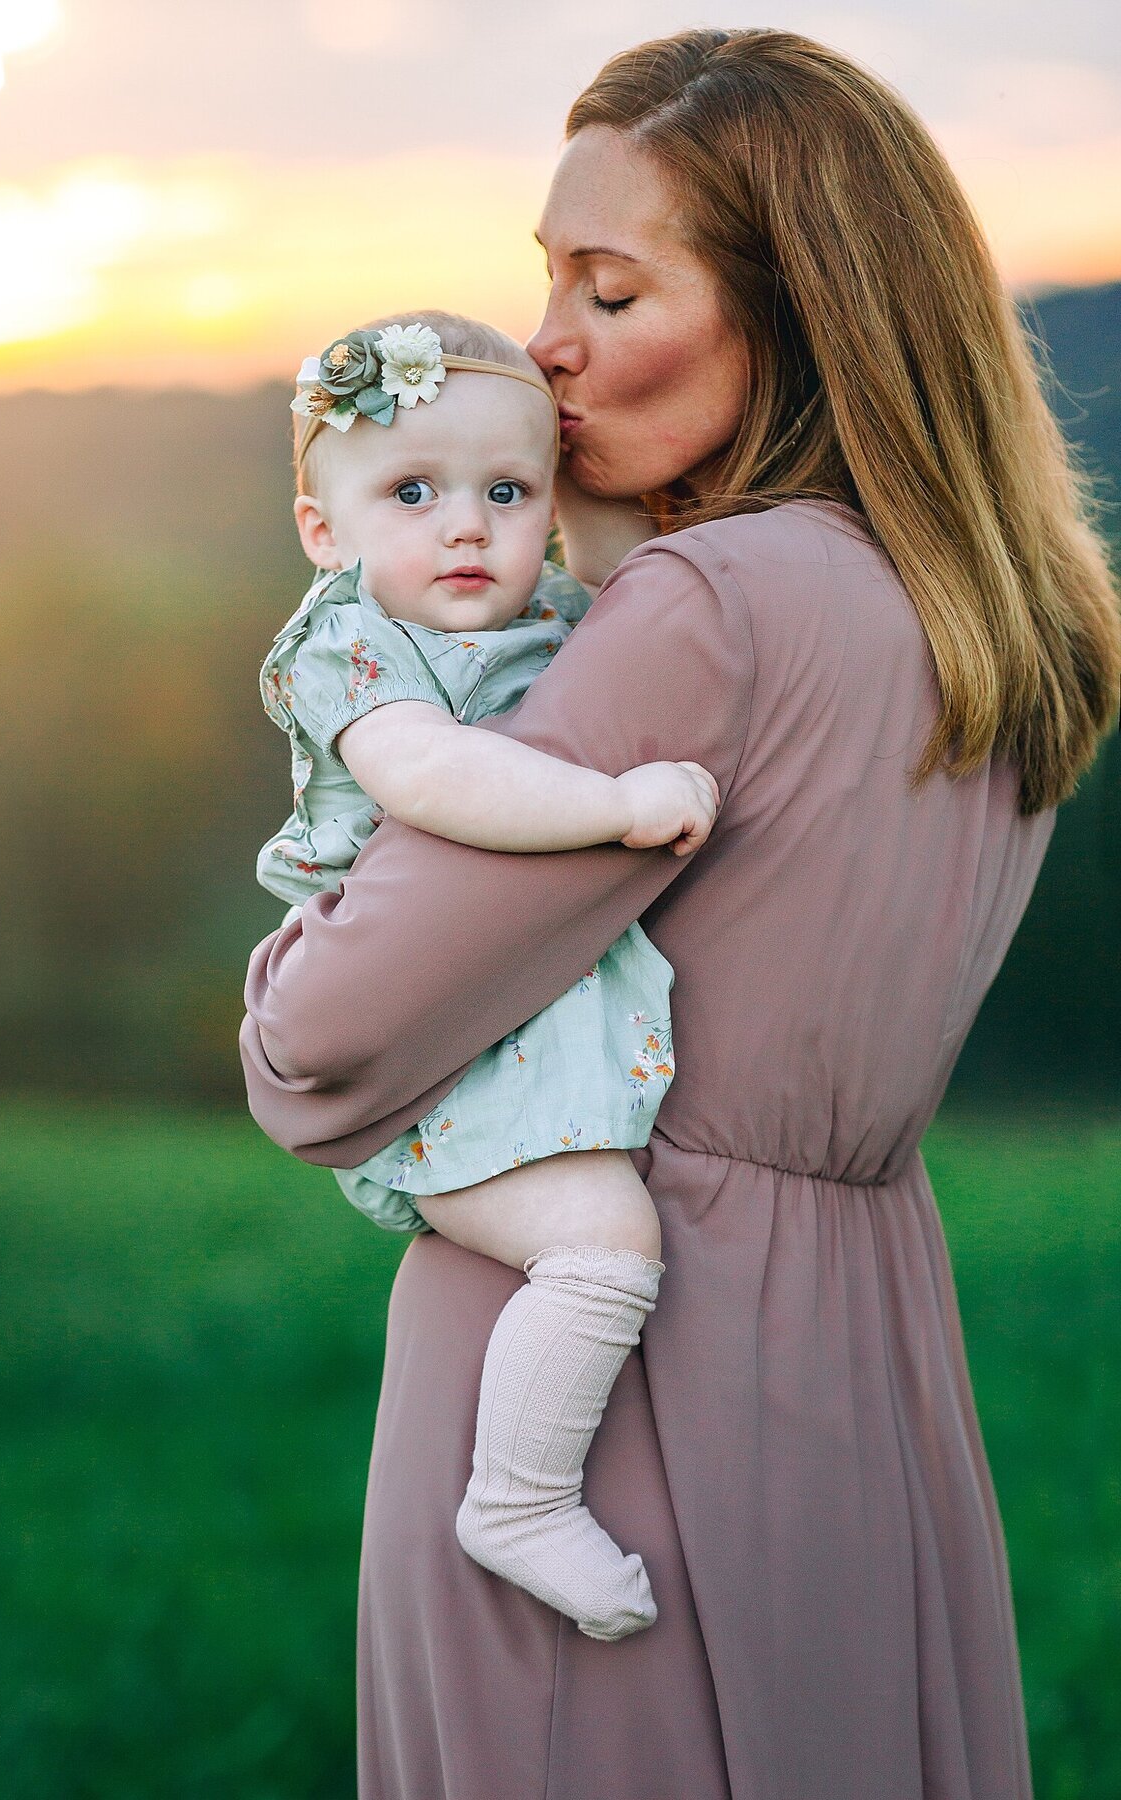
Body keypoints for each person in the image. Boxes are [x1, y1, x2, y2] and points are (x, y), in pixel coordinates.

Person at [240, 28, 1121, 1800]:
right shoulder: (988, 617)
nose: (547, 342)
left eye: (613, 287)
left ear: (794, 310)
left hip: (609, 1372)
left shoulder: (705, 609)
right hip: (870, 1349)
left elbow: (322, 1038)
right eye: (546, 276)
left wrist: (290, 959)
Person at [255, 308, 721, 1643]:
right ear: (322, 531)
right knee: (604, 1247)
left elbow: (642, 581)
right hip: (439, 1052)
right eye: (413, 492)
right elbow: (434, 777)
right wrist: (614, 804)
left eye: (507, 493)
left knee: (613, 1229)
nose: (467, 527)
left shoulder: (545, 615)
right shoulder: (351, 648)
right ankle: (517, 1498)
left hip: (528, 1030)